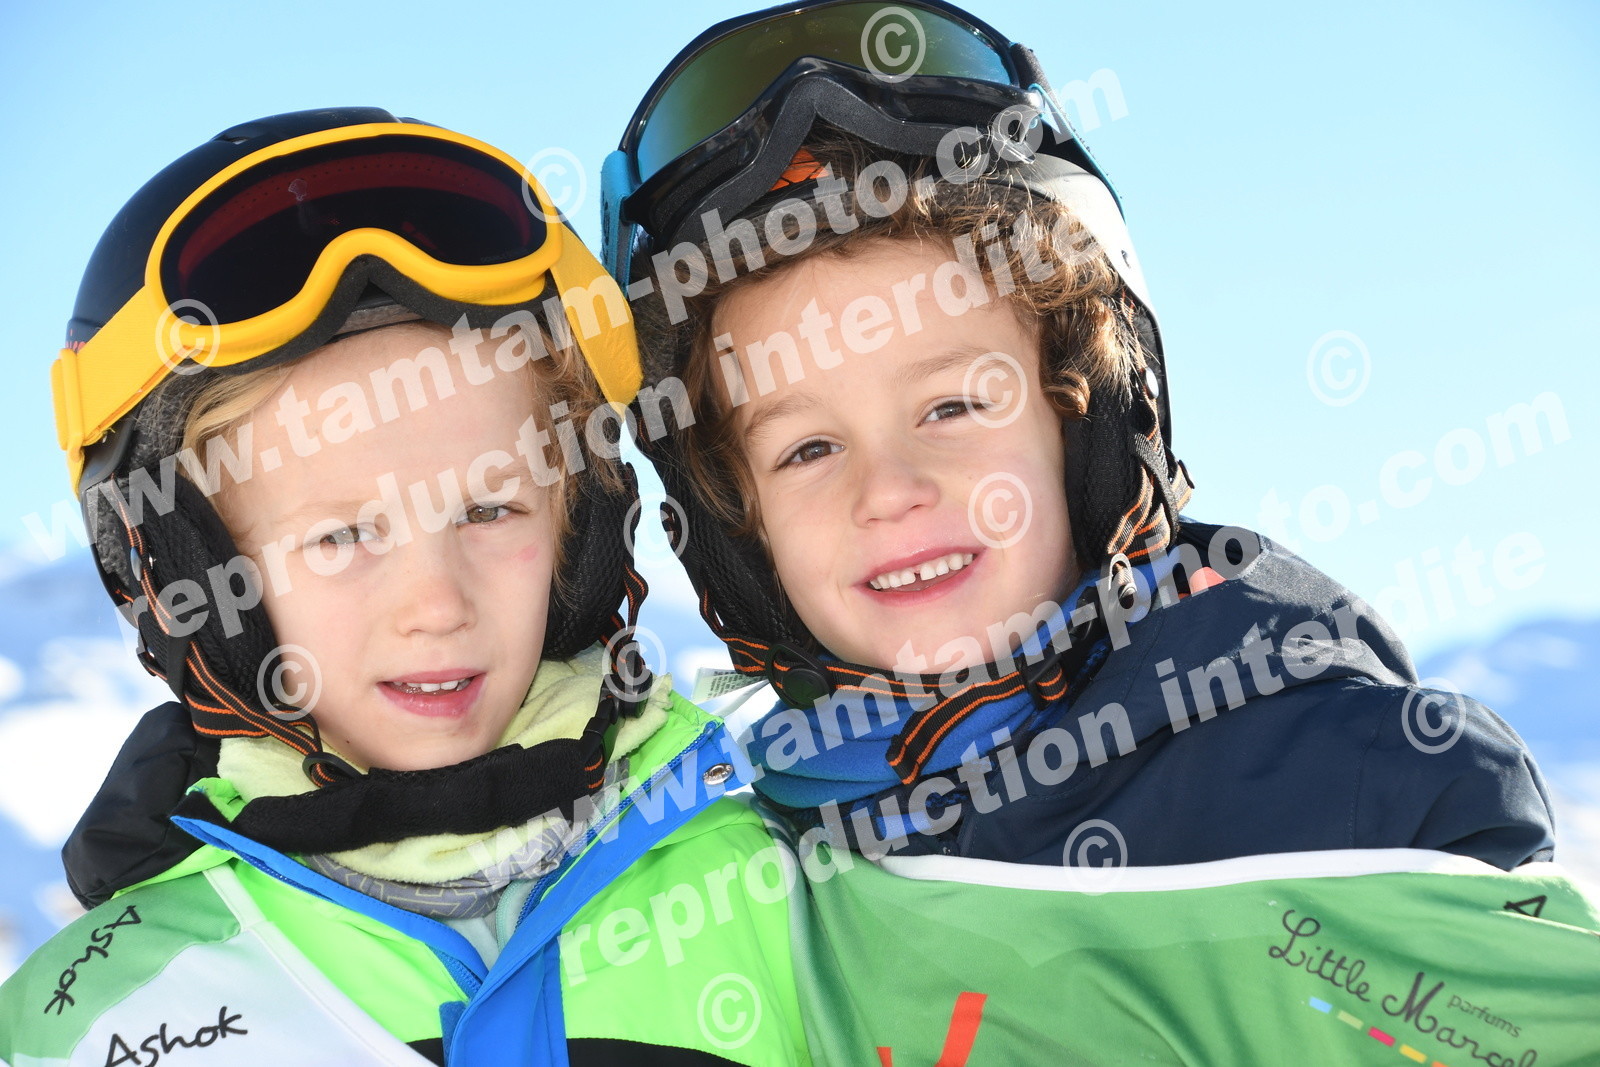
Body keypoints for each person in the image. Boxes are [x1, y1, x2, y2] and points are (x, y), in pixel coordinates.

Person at [601, 2, 1600, 1062]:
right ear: (736, 524)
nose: (887, 490)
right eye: (808, 447)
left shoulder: (1341, 784)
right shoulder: (744, 873)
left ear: (1085, 423)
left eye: (951, 406)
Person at [0, 108, 807, 1066]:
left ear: (578, 526)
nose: (437, 606)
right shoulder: (94, 1021)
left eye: (490, 510)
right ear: (195, 578)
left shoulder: (792, 888)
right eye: (342, 536)